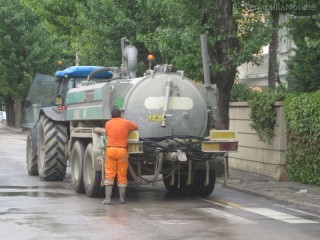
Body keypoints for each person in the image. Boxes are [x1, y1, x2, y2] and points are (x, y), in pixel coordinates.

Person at [102, 107, 138, 205]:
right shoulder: (126, 123)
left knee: (109, 175)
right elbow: (136, 127)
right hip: (122, 150)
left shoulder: (108, 123)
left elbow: (106, 133)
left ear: (111, 116)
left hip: (111, 150)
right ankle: (122, 199)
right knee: (122, 175)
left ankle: (108, 199)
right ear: (120, 115)